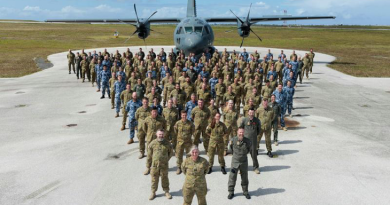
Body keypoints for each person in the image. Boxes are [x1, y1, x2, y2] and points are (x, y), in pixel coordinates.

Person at [147, 130, 173, 200]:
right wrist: (148, 166)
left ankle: (166, 191)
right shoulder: (152, 143)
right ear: (156, 135)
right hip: (155, 165)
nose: (161, 136)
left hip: (164, 165)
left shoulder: (167, 144)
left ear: (164, 135)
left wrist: (166, 159)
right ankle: (153, 192)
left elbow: (170, 153)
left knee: (165, 178)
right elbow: (149, 156)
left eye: (162, 134)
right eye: (159, 134)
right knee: (154, 179)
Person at [228, 128, 251, 200]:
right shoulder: (233, 140)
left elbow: (248, 150)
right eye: (240, 132)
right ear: (237, 132)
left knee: (244, 178)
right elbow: (231, 149)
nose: (241, 134)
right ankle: (231, 192)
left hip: (244, 162)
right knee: (232, 177)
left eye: (242, 132)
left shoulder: (247, 141)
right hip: (235, 162)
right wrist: (236, 156)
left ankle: (245, 191)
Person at [239, 106, 261, 174]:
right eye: (250, 112)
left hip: (253, 141)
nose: (251, 113)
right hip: (245, 141)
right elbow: (241, 128)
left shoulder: (257, 120)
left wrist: (253, 135)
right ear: (248, 113)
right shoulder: (244, 120)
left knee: (254, 155)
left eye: (252, 112)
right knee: (243, 154)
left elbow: (259, 130)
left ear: (254, 113)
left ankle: (256, 167)